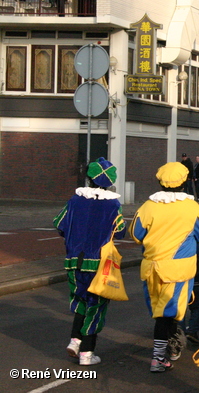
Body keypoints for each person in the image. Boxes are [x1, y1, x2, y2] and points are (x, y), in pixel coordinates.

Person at [129, 162, 199, 372]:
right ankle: (158, 358)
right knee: (167, 315)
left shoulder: (148, 206)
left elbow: (136, 234)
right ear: (185, 182)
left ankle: (170, 347)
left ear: (160, 182)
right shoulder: (193, 208)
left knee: (161, 314)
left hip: (151, 269)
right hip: (178, 270)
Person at [54, 157, 126, 366]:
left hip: (74, 260)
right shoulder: (113, 204)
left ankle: (75, 340)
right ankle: (87, 353)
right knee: (96, 305)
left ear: (89, 178)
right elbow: (120, 231)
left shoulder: (75, 200)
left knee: (80, 301)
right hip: (99, 263)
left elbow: (59, 224)